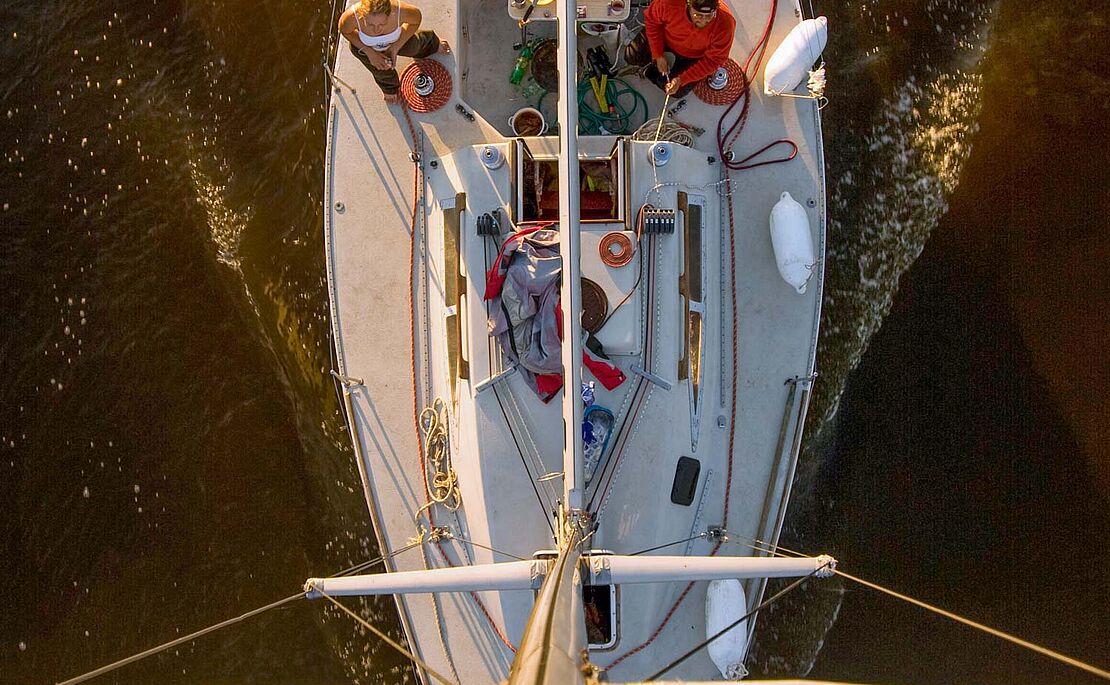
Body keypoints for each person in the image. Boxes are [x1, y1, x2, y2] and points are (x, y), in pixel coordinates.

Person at [338, 0, 450, 103]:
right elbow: (345, 31)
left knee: (415, 46)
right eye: (370, 24)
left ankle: (432, 43)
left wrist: (396, 47)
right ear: (362, 15)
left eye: (382, 24)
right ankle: (389, 88)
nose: (377, 30)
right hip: (366, 47)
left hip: (396, 40)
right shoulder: (352, 17)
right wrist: (369, 52)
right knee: (380, 70)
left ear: (390, 13)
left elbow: (416, 21)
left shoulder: (400, 11)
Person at [624, 0, 735, 98]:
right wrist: (658, 55)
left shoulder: (725, 24)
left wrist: (681, 79)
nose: (703, 21)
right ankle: (654, 66)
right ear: (688, 5)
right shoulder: (668, 3)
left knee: (676, 92)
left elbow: (713, 61)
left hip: (693, 56)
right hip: (665, 39)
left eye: (709, 15)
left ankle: (650, 72)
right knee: (630, 55)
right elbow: (652, 22)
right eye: (698, 15)